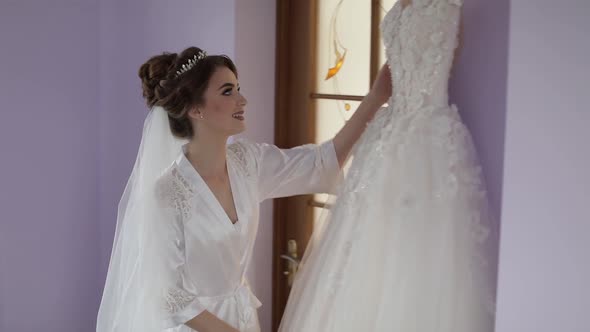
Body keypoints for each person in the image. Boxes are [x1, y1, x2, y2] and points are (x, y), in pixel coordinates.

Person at [96, 46, 392, 332]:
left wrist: (376, 97)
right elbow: (171, 297)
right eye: (228, 92)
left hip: (242, 319)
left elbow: (320, 163)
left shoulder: (248, 163)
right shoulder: (167, 194)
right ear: (195, 109)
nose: (243, 100)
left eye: (238, 88)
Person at [279, 0, 496, 331]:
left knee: (418, 253)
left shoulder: (447, 7)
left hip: (424, 138)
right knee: (369, 252)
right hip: (391, 136)